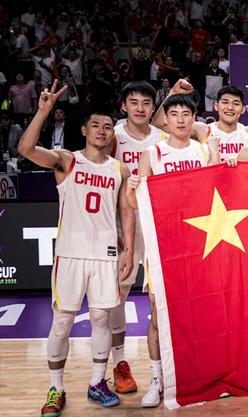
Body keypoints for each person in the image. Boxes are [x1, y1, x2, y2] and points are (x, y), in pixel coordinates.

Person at [18, 81, 134, 416]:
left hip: (105, 255)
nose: (102, 131)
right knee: (62, 322)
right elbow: (26, 148)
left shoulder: (119, 169)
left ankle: (97, 382)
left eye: (107, 126)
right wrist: (42, 112)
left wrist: (128, 250)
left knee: (101, 319)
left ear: (112, 134)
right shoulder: (67, 161)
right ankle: (56, 388)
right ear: (84, 130)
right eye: (95, 125)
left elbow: (125, 211)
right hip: (70, 254)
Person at [127, 94, 212, 408]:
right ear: (166, 119)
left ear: (193, 119)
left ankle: (192, 377)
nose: (180, 119)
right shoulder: (153, 152)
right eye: (174, 113)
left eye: (186, 113)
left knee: (195, 313)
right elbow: (136, 203)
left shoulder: (204, 151)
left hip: (198, 242)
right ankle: (156, 379)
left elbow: (218, 191)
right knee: (157, 314)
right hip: (163, 245)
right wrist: (132, 188)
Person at [108, 81, 167, 396]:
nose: (140, 108)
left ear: (153, 108)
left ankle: (166, 369)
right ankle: (120, 364)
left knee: (162, 300)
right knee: (118, 296)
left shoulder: (162, 137)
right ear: (124, 106)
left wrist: (173, 95)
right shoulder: (113, 137)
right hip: (124, 225)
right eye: (134, 102)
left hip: (157, 226)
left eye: (146, 102)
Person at [154, 80, 248, 162]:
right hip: (211, 183)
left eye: (236, 103)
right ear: (216, 106)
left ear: (243, 109)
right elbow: (158, 126)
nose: (230, 108)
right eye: (225, 102)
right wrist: (173, 93)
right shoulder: (202, 130)